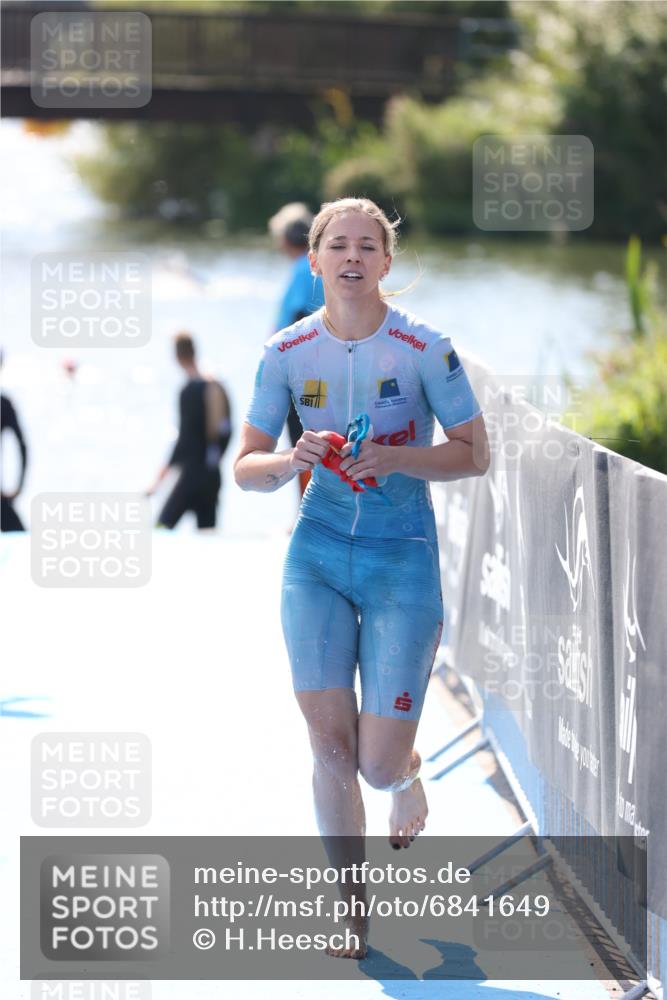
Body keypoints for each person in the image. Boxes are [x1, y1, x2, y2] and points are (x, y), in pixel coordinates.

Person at [234, 198, 490, 958]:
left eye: (366, 246)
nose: (351, 257)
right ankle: (351, 908)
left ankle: (406, 768)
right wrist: (289, 462)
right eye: (336, 245)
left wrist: (401, 456)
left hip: (398, 558)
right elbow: (245, 469)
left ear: (386, 262)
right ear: (313, 261)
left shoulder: (423, 348)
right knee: (330, 748)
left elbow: (474, 452)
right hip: (313, 558)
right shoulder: (284, 351)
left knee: (375, 767)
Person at [147, 332, 231, 530]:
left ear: (177, 356)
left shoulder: (189, 390)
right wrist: (216, 460)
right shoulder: (216, 384)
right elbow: (227, 431)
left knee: (160, 529)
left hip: (192, 476)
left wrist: (158, 481)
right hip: (212, 475)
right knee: (207, 539)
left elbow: (185, 441)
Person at [269, 203, 325, 496]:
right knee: (308, 439)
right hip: (313, 367)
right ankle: (306, 511)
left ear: (286, 239)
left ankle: (306, 511)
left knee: (302, 439)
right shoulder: (310, 264)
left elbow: (299, 318)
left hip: (303, 371)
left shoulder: (304, 268)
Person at [1, 390, 28, 532]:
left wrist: (18, 487)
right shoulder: (3, 404)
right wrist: (19, 486)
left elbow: (22, 446)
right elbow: (22, 446)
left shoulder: (3, 404)